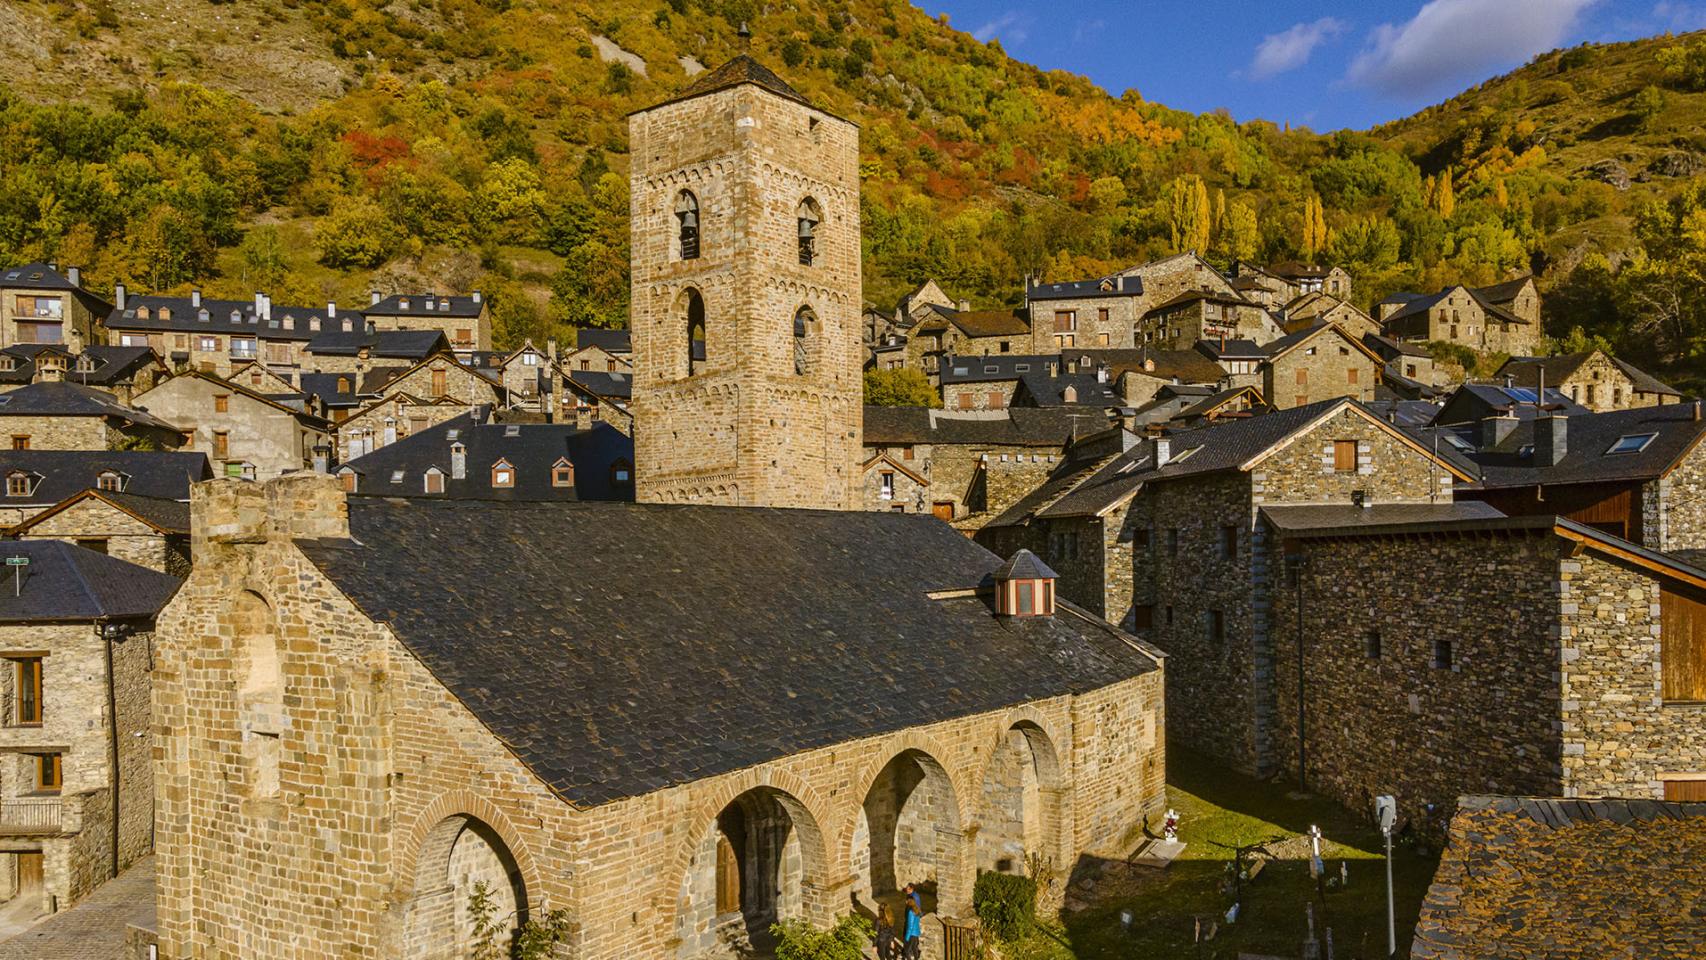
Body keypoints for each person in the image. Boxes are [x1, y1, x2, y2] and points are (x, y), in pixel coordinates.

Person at [901, 887, 922, 960]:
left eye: (906, 900)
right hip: (916, 933)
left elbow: (910, 926)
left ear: (908, 901)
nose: (905, 901)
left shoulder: (910, 912)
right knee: (914, 948)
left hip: (911, 934)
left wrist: (906, 937)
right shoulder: (917, 909)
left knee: (906, 951)